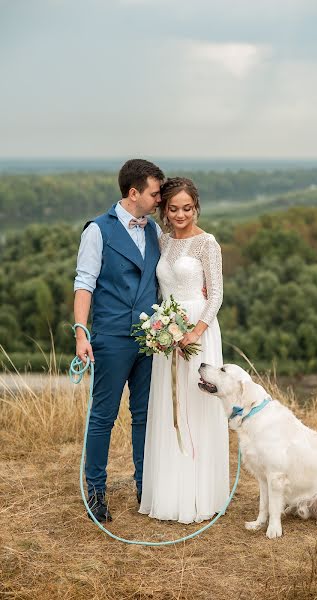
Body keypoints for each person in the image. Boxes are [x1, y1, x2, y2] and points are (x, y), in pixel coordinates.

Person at [74, 158, 165, 522]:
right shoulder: (97, 230)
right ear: (133, 193)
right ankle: (95, 492)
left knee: (144, 415)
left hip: (150, 340)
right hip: (111, 337)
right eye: (154, 193)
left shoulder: (154, 230)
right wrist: (81, 331)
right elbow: (84, 283)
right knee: (103, 417)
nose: (158, 199)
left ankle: (145, 487)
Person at [139, 177, 229, 524]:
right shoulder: (162, 242)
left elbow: (216, 294)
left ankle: (200, 493)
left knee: (196, 404)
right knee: (169, 405)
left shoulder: (208, 243)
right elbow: (162, 288)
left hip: (198, 329)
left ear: (196, 207)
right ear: (164, 209)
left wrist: (195, 332)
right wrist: (162, 329)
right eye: (173, 208)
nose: (180, 215)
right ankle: (169, 492)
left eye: (187, 208)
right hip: (167, 329)